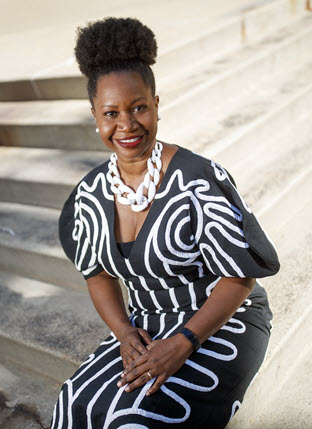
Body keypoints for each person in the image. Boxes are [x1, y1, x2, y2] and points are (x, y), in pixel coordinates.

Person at [51, 17, 280, 429]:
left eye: (138, 106)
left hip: (220, 321)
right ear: (95, 116)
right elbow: (98, 274)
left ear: (157, 104)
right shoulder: (89, 195)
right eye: (111, 112)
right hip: (145, 327)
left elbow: (239, 278)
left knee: (135, 419)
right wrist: (123, 333)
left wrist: (183, 342)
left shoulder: (200, 181)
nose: (127, 124)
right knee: (72, 407)